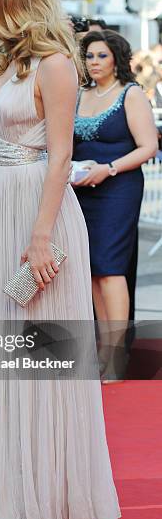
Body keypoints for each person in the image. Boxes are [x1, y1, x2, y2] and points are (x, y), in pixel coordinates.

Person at [0, 0, 121, 519]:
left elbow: (61, 156)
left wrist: (41, 236)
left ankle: (44, 495)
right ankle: (1, 489)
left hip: (34, 212)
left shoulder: (54, 63)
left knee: (39, 356)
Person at [72, 30, 158, 378]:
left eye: (101, 56)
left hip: (118, 189)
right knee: (91, 270)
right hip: (81, 189)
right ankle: (101, 352)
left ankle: (116, 357)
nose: (94, 62)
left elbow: (148, 147)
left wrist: (108, 169)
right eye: (89, 56)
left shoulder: (130, 93)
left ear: (117, 58)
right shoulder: (79, 94)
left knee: (110, 268)